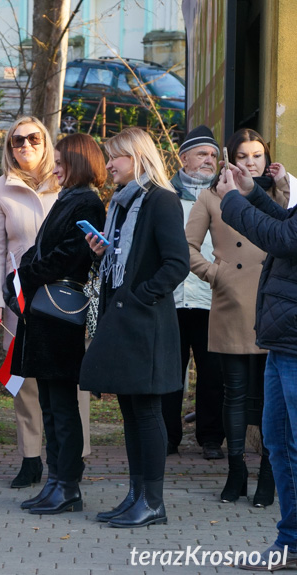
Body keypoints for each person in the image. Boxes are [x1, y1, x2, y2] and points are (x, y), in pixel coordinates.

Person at [81, 127, 189, 528]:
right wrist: (100, 254)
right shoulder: (122, 205)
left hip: (146, 323)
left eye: (115, 157)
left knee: (146, 412)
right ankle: (136, 495)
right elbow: (120, 265)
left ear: (138, 158)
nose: (108, 164)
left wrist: (140, 297)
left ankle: (154, 503)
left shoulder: (161, 201)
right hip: (122, 319)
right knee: (130, 411)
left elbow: (177, 263)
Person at [0, 116, 92, 488]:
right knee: (25, 381)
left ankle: (72, 460)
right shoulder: (0, 188)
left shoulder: (66, 183)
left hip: (61, 299)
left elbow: (78, 246)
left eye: (33, 138)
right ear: (9, 148)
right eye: (17, 140)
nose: (25, 145)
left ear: (47, 143)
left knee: (69, 380)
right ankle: (31, 457)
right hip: (20, 298)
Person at [187, 128, 289, 507]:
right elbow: (187, 247)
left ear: (267, 158)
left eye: (257, 155)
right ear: (231, 159)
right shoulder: (212, 196)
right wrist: (217, 274)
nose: (250, 162)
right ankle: (235, 471)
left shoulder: (280, 194)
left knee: (268, 400)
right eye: (243, 156)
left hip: (270, 304)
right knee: (233, 394)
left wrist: (280, 186)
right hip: (230, 301)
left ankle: (267, 475)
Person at [9, 133, 106, 514]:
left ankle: (68, 486)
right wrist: (20, 275)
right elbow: (41, 248)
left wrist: (26, 274)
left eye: (63, 160)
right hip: (45, 315)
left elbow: (70, 255)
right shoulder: (68, 198)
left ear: (80, 162)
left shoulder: (87, 202)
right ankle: (56, 481)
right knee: (50, 404)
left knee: (62, 405)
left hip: (60, 314)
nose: (56, 166)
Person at [216, 159, 297, 570]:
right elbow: (288, 222)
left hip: (294, 342)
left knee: (292, 446)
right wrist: (252, 194)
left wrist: (232, 200)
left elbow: (284, 238)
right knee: (280, 444)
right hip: (284, 340)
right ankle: (291, 542)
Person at [161, 125, 225, 459]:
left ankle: (211, 437)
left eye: (213, 155)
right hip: (170, 299)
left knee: (213, 372)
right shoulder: (165, 194)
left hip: (211, 297)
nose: (209, 160)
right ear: (183, 158)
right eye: (202, 153)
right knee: (170, 370)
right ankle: (168, 437)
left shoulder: (224, 197)